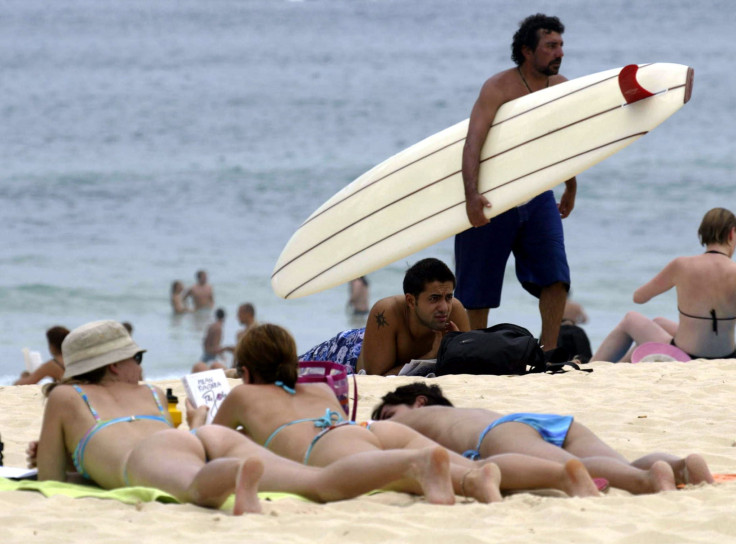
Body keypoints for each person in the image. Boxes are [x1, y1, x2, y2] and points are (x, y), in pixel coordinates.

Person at [34, 320, 497, 513]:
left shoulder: (65, 397)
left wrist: (66, 463)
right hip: (190, 438)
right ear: (114, 364)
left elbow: (54, 477)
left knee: (197, 486)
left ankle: (235, 477)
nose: (141, 364)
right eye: (135, 356)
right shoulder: (151, 393)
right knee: (315, 483)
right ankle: (237, 469)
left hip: (148, 455)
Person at [213, 322, 606, 500]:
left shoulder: (242, 396)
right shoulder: (316, 387)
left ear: (246, 372)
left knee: (412, 470)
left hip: (326, 449)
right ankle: (561, 472)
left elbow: (216, 444)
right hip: (365, 431)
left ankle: (466, 484)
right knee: (472, 464)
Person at [454, 13, 576, 351]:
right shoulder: (498, 88)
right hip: (493, 198)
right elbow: (472, 143)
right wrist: (471, 196)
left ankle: (548, 353)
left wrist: (571, 185)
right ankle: (473, 352)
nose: (559, 52)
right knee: (477, 291)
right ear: (527, 50)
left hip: (537, 195)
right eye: (551, 46)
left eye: (561, 45)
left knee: (556, 278)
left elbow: (568, 144)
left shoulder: (563, 88)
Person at [372, 383, 714, 495]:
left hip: (499, 434)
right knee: (614, 463)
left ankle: (646, 480)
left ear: (417, 402)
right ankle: (679, 466)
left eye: (388, 413)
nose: (388, 422)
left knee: (574, 468)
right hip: (541, 421)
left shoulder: (415, 419)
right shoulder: (464, 412)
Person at [592, 208, 736, 362]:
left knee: (630, 319)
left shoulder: (682, 265)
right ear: (731, 233)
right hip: (727, 356)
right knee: (659, 322)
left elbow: (639, 298)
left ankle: (593, 368)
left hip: (686, 355)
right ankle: (623, 367)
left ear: (702, 233)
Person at [299, 258, 471, 376]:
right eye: (434, 299)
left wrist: (454, 351)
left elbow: (468, 368)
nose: (443, 307)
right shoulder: (387, 312)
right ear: (411, 301)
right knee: (289, 368)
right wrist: (432, 355)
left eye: (448, 297)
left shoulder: (455, 310)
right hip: (347, 351)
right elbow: (376, 380)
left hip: (374, 340)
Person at [191, 308, 228, 373]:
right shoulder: (219, 328)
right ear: (224, 317)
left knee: (198, 372)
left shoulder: (211, 326)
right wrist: (222, 355)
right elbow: (216, 346)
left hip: (206, 353)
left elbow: (204, 341)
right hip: (211, 356)